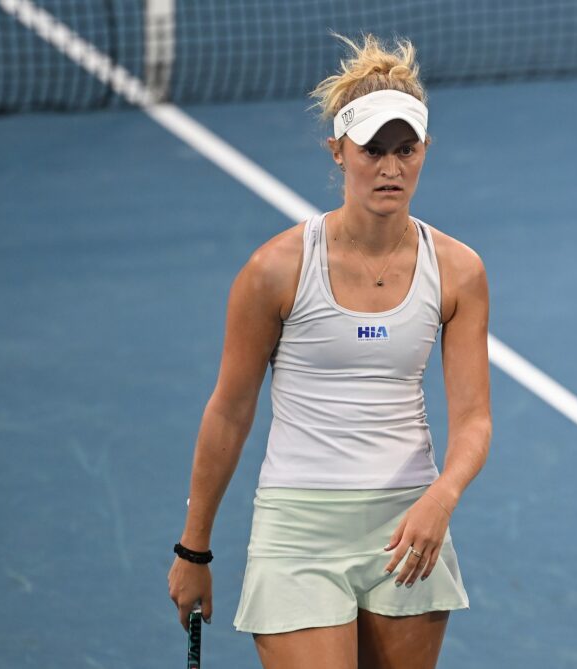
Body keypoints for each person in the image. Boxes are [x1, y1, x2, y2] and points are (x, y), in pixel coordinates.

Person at [167, 35, 490, 669]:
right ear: (338, 151)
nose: (390, 168)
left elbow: (474, 418)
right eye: (372, 150)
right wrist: (193, 549)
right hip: (298, 533)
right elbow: (230, 412)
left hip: (409, 528)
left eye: (406, 150)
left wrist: (440, 498)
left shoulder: (460, 270)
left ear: (425, 151)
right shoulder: (275, 269)